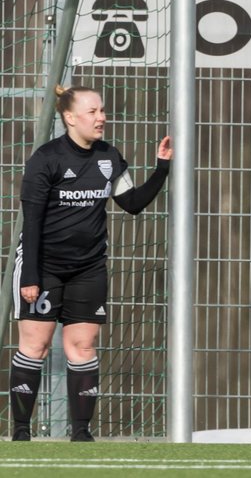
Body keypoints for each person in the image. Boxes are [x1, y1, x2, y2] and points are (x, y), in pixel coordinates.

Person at [8, 84, 172, 442]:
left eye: (102, 111)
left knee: (82, 346)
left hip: (89, 268)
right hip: (44, 265)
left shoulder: (109, 157)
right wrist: (31, 276)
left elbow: (131, 202)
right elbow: (31, 222)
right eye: (92, 112)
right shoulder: (46, 159)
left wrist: (161, 168)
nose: (101, 118)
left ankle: (81, 434)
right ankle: (21, 432)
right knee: (34, 345)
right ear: (70, 118)